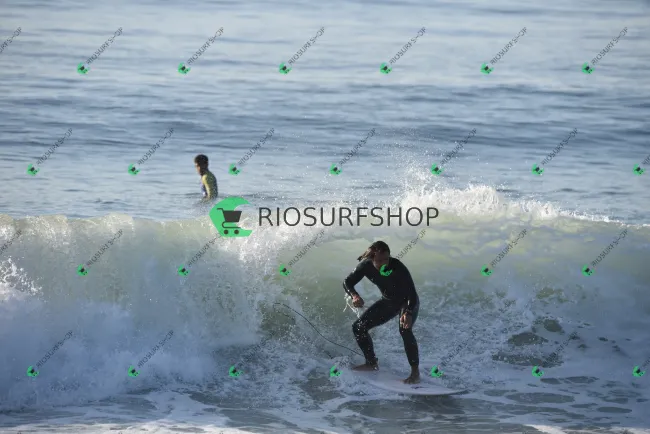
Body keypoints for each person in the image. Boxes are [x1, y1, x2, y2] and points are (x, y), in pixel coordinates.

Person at [343, 241, 421, 384]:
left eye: (386, 259)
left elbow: (411, 293)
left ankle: (415, 373)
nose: (384, 263)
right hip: (389, 301)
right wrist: (354, 295)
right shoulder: (365, 266)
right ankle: (371, 363)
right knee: (358, 327)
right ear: (371, 258)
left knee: (405, 329)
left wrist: (408, 312)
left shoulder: (397, 266)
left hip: (407, 301)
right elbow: (347, 282)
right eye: (379, 260)